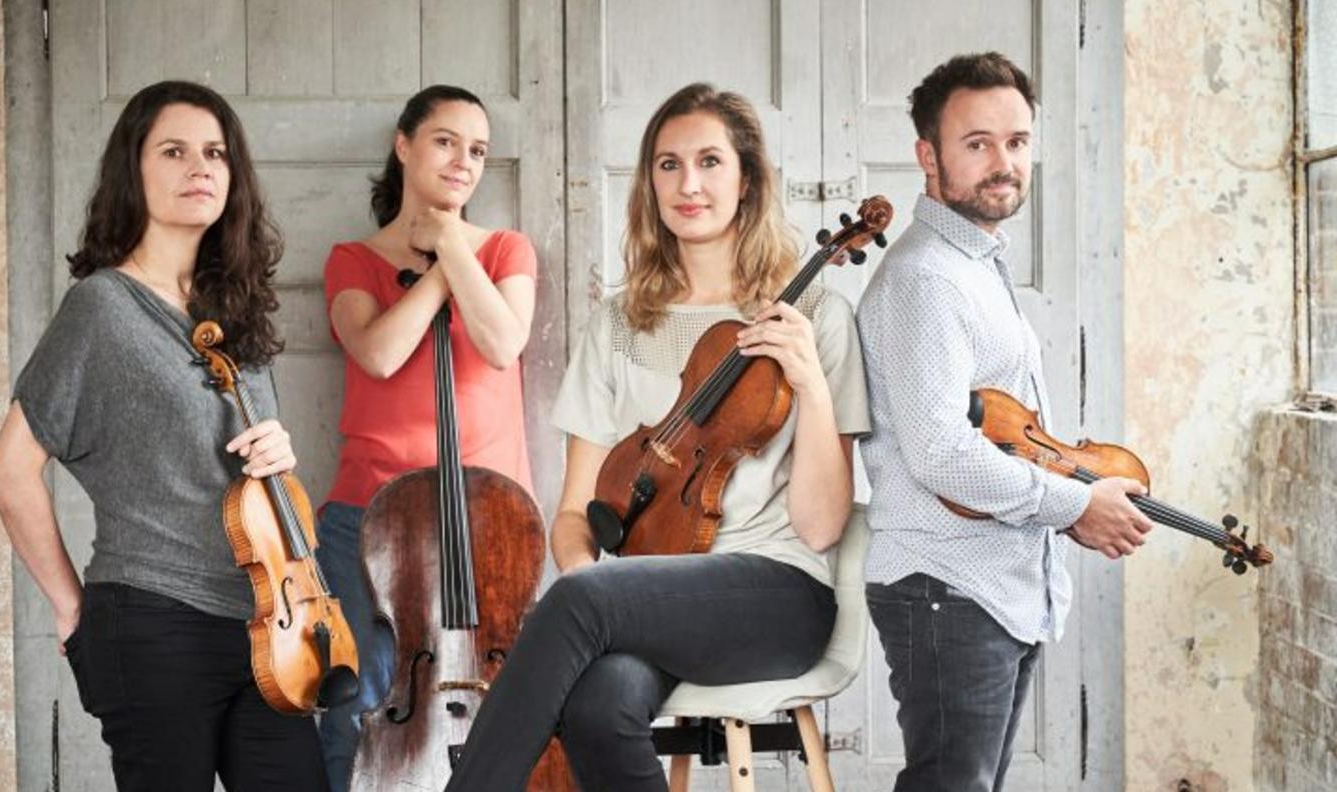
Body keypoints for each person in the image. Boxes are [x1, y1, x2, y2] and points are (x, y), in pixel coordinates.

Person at [445, 82, 869, 792]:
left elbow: (822, 526)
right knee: (597, 702)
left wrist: (813, 385)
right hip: (650, 595)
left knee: (584, 604)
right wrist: (593, 583)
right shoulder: (617, 324)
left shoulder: (814, 315)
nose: (688, 183)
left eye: (709, 162)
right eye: (668, 165)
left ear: (747, 181)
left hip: (779, 594)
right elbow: (576, 514)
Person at [0, 80, 326, 790]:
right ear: (133, 171)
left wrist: (281, 452)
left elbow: (241, 464)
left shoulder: (236, 311)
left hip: (270, 629)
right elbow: (10, 471)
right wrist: (72, 610)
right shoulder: (101, 309)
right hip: (154, 623)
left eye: (215, 154)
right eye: (173, 151)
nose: (199, 167)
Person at [855, 52, 1153, 792]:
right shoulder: (926, 278)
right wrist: (1077, 502)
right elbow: (941, 454)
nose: (1003, 163)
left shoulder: (973, 261)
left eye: (1017, 142)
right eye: (978, 142)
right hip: (947, 585)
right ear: (929, 154)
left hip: (987, 585)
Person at [313, 84, 538, 792]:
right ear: (403, 145)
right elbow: (377, 352)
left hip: (487, 517)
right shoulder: (352, 259)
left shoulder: (506, 249)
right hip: (369, 514)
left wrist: (453, 245)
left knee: (503, 704)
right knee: (361, 700)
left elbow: (503, 342)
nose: (464, 162)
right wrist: (440, 267)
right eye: (445, 142)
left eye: (478, 151)